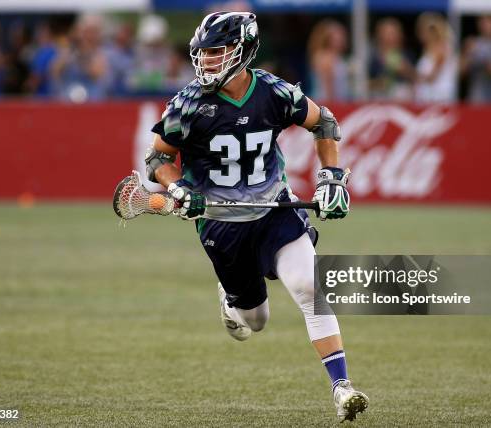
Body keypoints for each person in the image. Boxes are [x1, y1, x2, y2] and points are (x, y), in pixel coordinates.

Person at [145, 12, 368, 422]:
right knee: (256, 320)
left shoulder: (273, 92)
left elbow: (326, 124)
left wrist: (332, 179)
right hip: (221, 224)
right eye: (204, 53)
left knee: (308, 288)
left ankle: (342, 387)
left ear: (242, 50)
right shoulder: (189, 103)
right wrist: (180, 189)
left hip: (273, 211)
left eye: (216, 52)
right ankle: (232, 302)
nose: (207, 61)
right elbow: (159, 157)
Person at [414, 12, 457, 103]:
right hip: (427, 95)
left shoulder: (442, 48)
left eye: (423, 31)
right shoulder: (428, 49)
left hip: (438, 97)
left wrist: (410, 73)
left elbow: (432, 76)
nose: (420, 35)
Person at [368, 17, 414, 101]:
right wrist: (379, 83)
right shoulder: (373, 57)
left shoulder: (407, 54)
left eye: (393, 33)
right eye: (387, 33)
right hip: (379, 99)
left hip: (402, 100)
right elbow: (364, 83)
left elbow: (415, 78)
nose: (390, 37)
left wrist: (406, 70)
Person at [307, 19, 350, 101]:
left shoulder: (338, 57)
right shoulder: (325, 57)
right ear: (329, 39)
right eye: (337, 38)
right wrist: (331, 104)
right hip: (326, 101)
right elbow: (328, 86)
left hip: (340, 99)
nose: (341, 41)